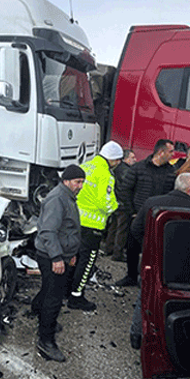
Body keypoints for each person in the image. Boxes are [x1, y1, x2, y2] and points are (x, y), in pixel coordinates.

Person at [129, 173, 190, 350]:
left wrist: (149, 248)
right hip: (182, 272)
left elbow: (136, 229)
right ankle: (165, 344)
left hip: (151, 265)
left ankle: (137, 335)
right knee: (173, 307)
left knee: (145, 298)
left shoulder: (152, 203)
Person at [32, 164, 85, 362]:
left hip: (60, 254)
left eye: (82, 182)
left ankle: (37, 309)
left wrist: (70, 253)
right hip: (51, 256)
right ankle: (46, 341)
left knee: (49, 290)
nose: (80, 185)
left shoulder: (67, 196)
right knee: (54, 298)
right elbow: (48, 231)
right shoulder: (58, 198)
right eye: (77, 182)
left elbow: (67, 229)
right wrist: (56, 257)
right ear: (66, 181)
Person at [68, 140, 123, 311]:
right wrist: (115, 206)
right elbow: (104, 203)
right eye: (118, 160)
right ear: (112, 160)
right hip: (93, 226)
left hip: (75, 221)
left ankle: (66, 290)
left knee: (72, 258)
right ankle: (76, 297)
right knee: (86, 263)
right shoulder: (106, 174)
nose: (119, 164)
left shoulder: (85, 166)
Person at [115, 139, 177, 287]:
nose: (173, 155)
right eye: (171, 152)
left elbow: (171, 194)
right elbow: (125, 189)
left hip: (158, 218)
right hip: (138, 216)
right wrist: (132, 212)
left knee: (154, 251)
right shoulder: (138, 168)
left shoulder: (171, 172)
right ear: (161, 152)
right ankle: (130, 276)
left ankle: (148, 280)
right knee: (132, 248)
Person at [101, 149, 136, 262]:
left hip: (115, 202)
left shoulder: (116, 169)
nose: (135, 160)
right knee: (122, 229)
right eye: (132, 157)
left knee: (113, 226)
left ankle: (108, 248)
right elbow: (126, 190)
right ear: (125, 159)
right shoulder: (127, 172)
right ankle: (117, 253)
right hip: (123, 204)